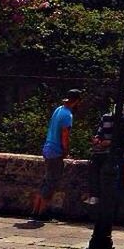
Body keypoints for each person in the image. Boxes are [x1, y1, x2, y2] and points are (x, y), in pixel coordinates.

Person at [31, 89, 83, 220]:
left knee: (45, 180)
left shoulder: (59, 109)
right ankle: (42, 212)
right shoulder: (67, 115)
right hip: (55, 151)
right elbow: (64, 135)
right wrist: (65, 151)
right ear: (76, 101)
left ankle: (35, 210)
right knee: (51, 182)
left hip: (48, 147)